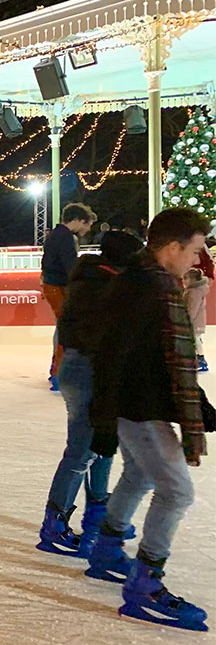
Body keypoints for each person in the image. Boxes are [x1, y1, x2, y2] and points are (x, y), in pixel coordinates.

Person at [84, 208, 209, 632]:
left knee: (139, 474)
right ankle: (145, 586)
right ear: (172, 247)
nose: (199, 258)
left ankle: (106, 547)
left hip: (138, 402)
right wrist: (103, 418)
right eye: (195, 249)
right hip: (140, 408)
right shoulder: (146, 287)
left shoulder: (144, 281)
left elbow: (164, 354)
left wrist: (200, 403)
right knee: (176, 492)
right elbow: (113, 354)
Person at [36, 231, 143, 558]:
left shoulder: (92, 278)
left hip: (82, 368)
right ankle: (55, 522)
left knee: (100, 443)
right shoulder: (101, 285)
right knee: (82, 450)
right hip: (87, 371)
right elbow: (99, 334)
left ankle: (97, 511)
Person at [42, 203, 97, 390]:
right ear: (79, 220)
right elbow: (70, 267)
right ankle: (59, 374)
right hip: (58, 287)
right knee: (67, 328)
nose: (88, 229)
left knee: (62, 328)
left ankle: (55, 370)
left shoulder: (55, 235)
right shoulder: (65, 237)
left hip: (53, 286)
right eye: (87, 224)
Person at [183, 245, 213, 372]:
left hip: (194, 323)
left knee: (195, 341)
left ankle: (200, 359)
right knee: (195, 340)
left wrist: (187, 320)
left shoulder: (194, 292)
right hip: (196, 322)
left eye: (185, 279)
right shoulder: (194, 290)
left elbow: (192, 308)